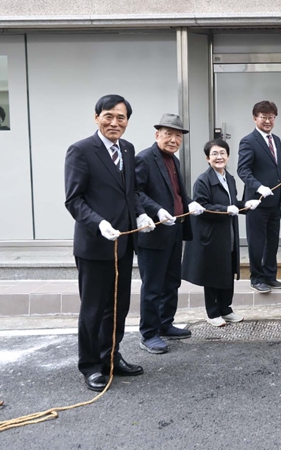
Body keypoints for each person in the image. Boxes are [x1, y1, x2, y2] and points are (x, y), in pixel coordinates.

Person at [64, 94, 155, 391]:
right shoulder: (80, 150)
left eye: (121, 117)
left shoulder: (127, 149)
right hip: (94, 244)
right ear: (97, 117)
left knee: (118, 306)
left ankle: (111, 357)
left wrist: (141, 214)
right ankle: (91, 366)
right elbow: (74, 200)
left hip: (123, 244)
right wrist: (98, 223)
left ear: (127, 121)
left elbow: (131, 192)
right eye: (108, 116)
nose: (115, 123)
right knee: (93, 308)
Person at [134, 114, 206, 354]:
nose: (173, 140)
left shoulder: (173, 160)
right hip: (153, 232)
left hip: (175, 230)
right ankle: (149, 333)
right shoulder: (144, 158)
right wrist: (156, 210)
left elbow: (176, 192)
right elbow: (135, 192)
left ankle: (165, 324)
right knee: (153, 285)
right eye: (168, 134)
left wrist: (189, 202)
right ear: (157, 135)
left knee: (172, 281)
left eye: (178, 136)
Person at [183, 139, 260, 327]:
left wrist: (246, 205)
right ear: (207, 158)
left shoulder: (230, 178)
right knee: (212, 274)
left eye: (222, 153)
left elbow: (234, 204)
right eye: (214, 154)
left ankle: (226, 309)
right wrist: (225, 209)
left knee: (227, 272)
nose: (219, 157)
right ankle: (212, 313)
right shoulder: (203, 180)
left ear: (228, 156)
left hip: (228, 234)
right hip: (212, 236)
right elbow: (203, 207)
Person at [237, 100, 281, 294]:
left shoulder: (276, 140)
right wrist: (259, 187)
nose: (268, 121)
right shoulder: (248, 141)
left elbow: (278, 163)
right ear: (255, 118)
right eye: (264, 117)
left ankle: (270, 276)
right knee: (257, 242)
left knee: (272, 241)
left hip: (275, 200)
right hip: (257, 202)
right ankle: (257, 278)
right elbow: (243, 170)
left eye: (271, 117)